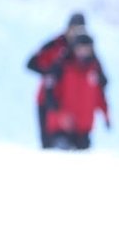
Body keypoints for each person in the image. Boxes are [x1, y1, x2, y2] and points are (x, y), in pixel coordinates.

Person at [27, 12, 87, 148]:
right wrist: (49, 73)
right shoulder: (55, 44)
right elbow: (31, 63)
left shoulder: (81, 48)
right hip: (46, 100)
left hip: (67, 103)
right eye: (75, 29)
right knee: (48, 144)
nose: (76, 33)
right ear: (68, 27)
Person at [44, 32, 109, 149]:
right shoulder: (62, 65)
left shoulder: (95, 69)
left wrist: (106, 116)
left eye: (86, 49)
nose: (83, 52)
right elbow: (51, 94)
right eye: (80, 49)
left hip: (84, 127)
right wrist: (60, 116)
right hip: (61, 126)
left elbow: (100, 95)